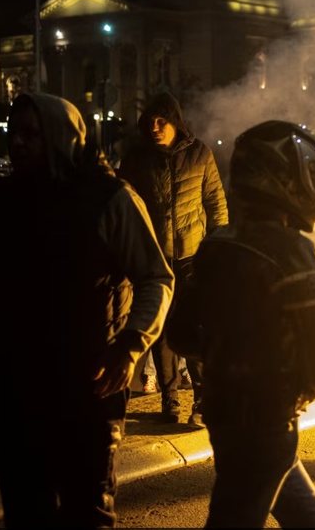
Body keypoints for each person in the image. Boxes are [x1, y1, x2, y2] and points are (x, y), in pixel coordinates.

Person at [0, 92, 174, 528]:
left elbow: (155, 278)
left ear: (63, 137)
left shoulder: (110, 198)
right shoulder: (3, 202)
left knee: (87, 513)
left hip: (87, 389)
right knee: (26, 514)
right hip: (17, 391)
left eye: (32, 134)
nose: (18, 144)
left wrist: (130, 346)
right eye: (15, 133)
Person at [167, 120, 315, 527]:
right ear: (287, 178)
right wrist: (308, 378)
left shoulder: (216, 245)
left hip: (224, 412)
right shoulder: (294, 252)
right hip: (268, 420)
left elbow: (179, 335)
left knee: (313, 523)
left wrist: (228, 357)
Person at [118, 91, 228, 426]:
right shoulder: (137, 158)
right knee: (162, 333)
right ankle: (170, 399)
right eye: (149, 122)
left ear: (175, 122)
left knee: (196, 328)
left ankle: (202, 399)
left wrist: (217, 250)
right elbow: (123, 205)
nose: (155, 127)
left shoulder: (199, 154)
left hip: (192, 257)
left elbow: (215, 203)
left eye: (161, 121)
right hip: (153, 261)